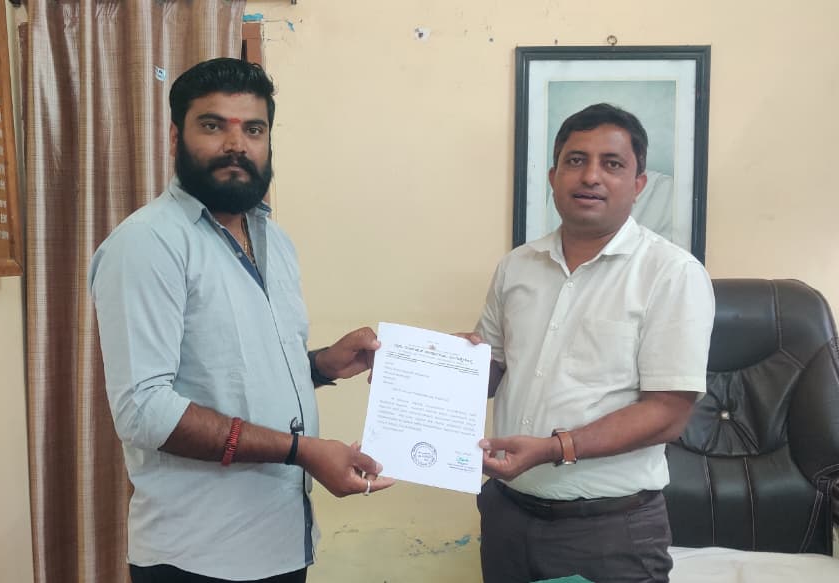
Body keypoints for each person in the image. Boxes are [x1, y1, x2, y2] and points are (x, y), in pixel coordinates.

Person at [89, 58, 394, 583]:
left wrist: (323, 365)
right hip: (197, 557)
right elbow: (144, 411)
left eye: (253, 129)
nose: (237, 145)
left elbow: (232, 372)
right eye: (213, 126)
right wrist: (302, 452)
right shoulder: (148, 244)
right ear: (175, 137)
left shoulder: (274, 239)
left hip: (281, 542)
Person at [462, 103, 715, 583]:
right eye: (576, 161)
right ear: (553, 176)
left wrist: (554, 448)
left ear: (638, 184)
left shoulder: (671, 274)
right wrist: (444, 366)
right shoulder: (517, 267)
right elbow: (495, 370)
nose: (591, 176)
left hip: (607, 532)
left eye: (612, 164)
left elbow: (668, 411)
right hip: (507, 516)